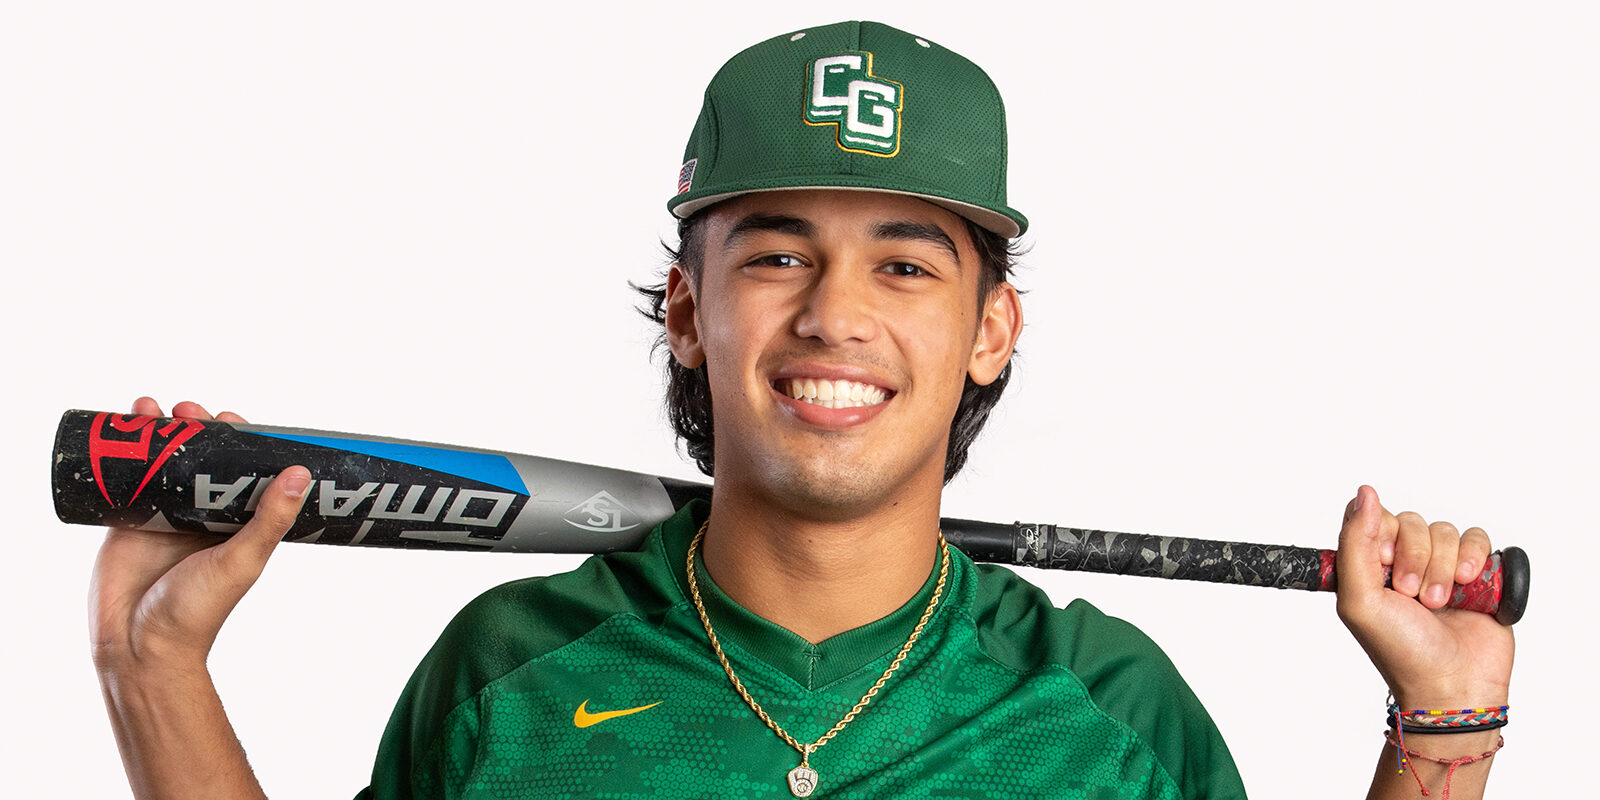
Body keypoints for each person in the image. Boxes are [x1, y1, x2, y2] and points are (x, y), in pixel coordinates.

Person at [89, 21, 1514, 800]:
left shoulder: (1103, 709)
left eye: (906, 262)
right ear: (686, 310)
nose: (835, 313)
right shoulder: (508, 674)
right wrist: (152, 674)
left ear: (990, 331)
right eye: (775, 253)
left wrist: (1443, 724)